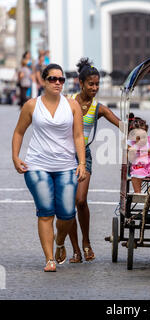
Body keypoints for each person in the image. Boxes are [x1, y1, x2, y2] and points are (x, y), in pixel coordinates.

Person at [12, 63, 87, 272]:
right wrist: (15, 157)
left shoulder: (72, 105)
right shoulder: (31, 105)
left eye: (61, 79)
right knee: (45, 211)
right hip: (37, 165)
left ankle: (60, 241)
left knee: (67, 214)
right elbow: (19, 132)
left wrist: (81, 163)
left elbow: (79, 136)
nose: (57, 83)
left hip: (66, 166)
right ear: (44, 81)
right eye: (52, 79)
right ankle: (49, 259)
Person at [68, 58, 122, 263]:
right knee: (68, 205)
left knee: (80, 201)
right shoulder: (68, 102)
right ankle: (75, 250)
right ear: (80, 83)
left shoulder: (98, 108)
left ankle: (86, 241)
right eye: (91, 84)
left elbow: (119, 123)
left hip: (85, 156)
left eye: (97, 84)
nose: (95, 88)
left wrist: (138, 132)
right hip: (64, 156)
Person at [128, 113, 150, 193]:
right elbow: (130, 155)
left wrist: (149, 150)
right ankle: (138, 192)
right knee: (135, 174)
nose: (141, 140)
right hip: (139, 167)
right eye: (138, 138)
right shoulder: (131, 143)